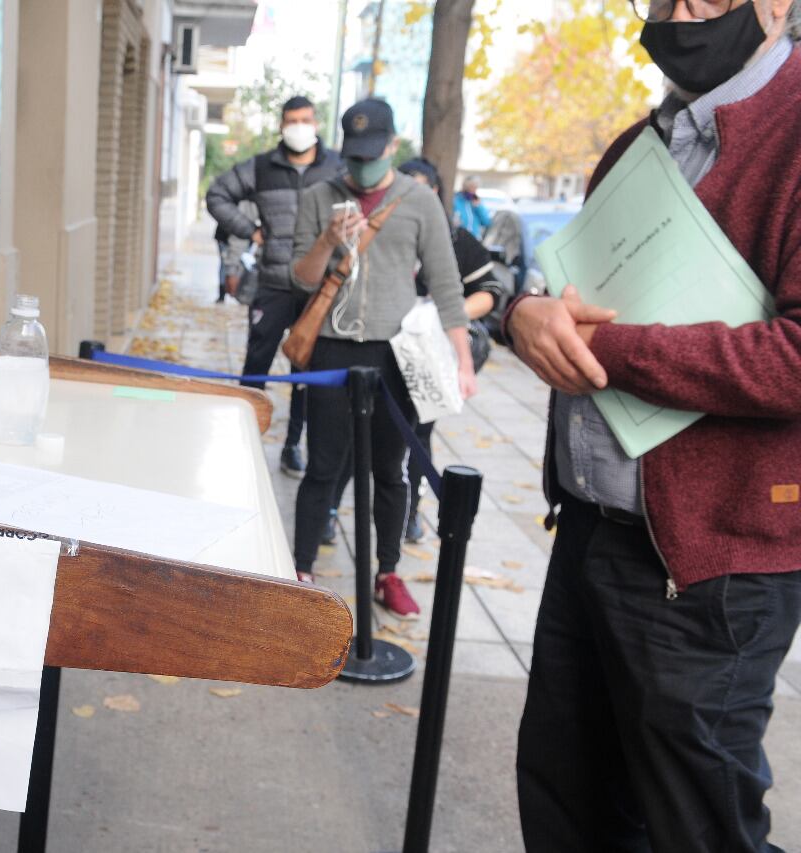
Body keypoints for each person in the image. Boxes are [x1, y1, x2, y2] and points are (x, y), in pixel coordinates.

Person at [508, 1, 801, 849]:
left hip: (714, 567)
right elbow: (565, 290)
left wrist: (615, 352)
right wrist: (523, 314)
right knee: (566, 802)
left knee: (695, 827)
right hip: (591, 534)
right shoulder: (639, 144)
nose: (676, 15)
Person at [289, 98, 476, 617]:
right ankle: (300, 570)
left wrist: (462, 360)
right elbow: (300, 278)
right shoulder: (319, 195)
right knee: (323, 465)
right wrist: (328, 240)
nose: (362, 169)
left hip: (395, 354)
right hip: (330, 348)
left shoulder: (419, 201)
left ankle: (387, 572)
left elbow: (445, 283)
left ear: (393, 147)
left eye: (372, 156)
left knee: (391, 471)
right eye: (353, 158)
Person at [206, 95, 343, 478]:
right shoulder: (263, 167)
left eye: (305, 119)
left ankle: (292, 446)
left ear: (316, 123)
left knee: (306, 372)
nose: (299, 126)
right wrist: (250, 231)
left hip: (318, 290)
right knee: (256, 367)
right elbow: (217, 195)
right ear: (282, 125)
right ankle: (243, 440)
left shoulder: (336, 168)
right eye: (291, 120)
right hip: (273, 284)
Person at [398, 158, 504, 543]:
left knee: (419, 434)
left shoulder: (455, 239)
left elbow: (490, 292)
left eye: (422, 187)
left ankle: (411, 511)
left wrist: (441, 315)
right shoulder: (380, 233)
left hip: (429, 354)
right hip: (379, 351)